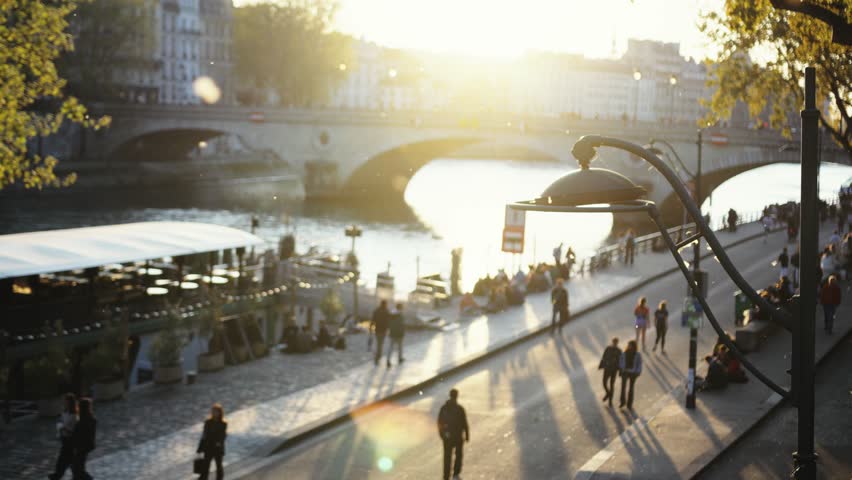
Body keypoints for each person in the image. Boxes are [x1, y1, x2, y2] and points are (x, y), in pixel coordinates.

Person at [437, 389, 469, 480]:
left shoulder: (444, 408)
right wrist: (467, 434)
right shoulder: (460, 409)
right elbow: (464, 423)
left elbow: (439, 422)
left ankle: (446, 475)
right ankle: (455, 473)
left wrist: (442, 435)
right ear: (456, 396)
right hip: (457, 437)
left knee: (447, 457)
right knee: (458, 455)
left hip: (448, 437)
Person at [48, 393, 77, 480]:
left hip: (70, 439)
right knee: (70, 459)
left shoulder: (74, 415)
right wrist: (60, 428)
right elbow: (62, 422)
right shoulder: (65, 412)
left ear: (71, 403)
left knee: (63, 458)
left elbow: (72, 429)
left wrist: (63, 429)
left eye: (67, 402)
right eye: (65, 402)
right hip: (64, 438)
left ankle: (57, 475)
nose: (65, 404)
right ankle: (78, 474)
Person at [197, 403, 227, 480]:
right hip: (208, 447)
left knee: (218, 466)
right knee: (205, 465)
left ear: (220, 412)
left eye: (216, 411)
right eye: (213, 411)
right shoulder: (208, 422)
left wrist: (219, 442)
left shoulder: (223, 424)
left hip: (218, 448)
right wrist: (200, 448)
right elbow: (204, 435)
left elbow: (223, 436)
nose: (214, 413)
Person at [71, 397, 96, 480]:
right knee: (78, 465)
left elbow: (76, 435)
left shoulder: (81, 421)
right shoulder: (91, 419)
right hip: (87, 445)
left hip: (81, 446)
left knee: (77, 466)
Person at [619, 340, 642, 409]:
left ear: (633, 346)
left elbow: (639, 364)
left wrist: (638, 372)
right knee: (623, 387)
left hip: (633, 373)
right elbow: (620, 361)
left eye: (630, 345)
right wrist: (621, 368)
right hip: (625, 372)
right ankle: (622, 402)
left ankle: (629, 404)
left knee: (631, 388)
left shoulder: (637, 354)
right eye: (628, 345)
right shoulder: (624, 353)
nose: (629, 346)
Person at [598, 337, 621, 407]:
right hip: (607, 368)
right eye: (614, 342)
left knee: (612, 385)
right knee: (604, 383)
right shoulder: (608, 348)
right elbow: (604, 357)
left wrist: (619, 370)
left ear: (617, 343)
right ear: (612, 341)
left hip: (614, 370)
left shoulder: (619, 351)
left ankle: (610, 401)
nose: (614, 343)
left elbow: (620, 361)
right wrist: (601, 365)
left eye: (616, 342)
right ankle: (608, 393)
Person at [371, 300, 390, 365]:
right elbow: (388, 321)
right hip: (383, 330)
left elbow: (373, 320)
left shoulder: (377, 311)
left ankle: (377, 357)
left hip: (377, 329)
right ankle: (378, 357)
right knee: (380, 344)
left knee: (379, 344)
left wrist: (370, 328)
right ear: (385, 304)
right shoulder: (386, 311)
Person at [387, 303, 405, 367]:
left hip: (392, 333)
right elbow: (401, 325)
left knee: (390, 347)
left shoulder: (391, 314)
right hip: (399, 334)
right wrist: (402, 333)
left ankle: (388, 360)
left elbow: (389, 324)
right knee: (400, 347)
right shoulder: (400, 315)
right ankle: (399, 358)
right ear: (400, 307)